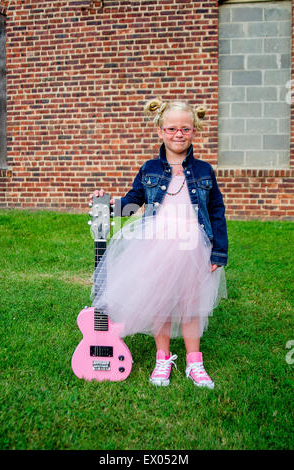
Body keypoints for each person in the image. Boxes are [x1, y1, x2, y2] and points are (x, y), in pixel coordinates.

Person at [89, 98, 228, 389]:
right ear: (161, 130)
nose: (179, 134)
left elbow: (216, 211)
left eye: (186, 129)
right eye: (172, 128)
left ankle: (195, 363)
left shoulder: (204, 171)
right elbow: (131, 203)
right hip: (157, 244)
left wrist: (219, 250)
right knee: (161, 303)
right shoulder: (150, 168)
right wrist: (107, 203)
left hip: (194, 246)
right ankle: (162, 359)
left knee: (191, 305)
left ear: (195, 131)